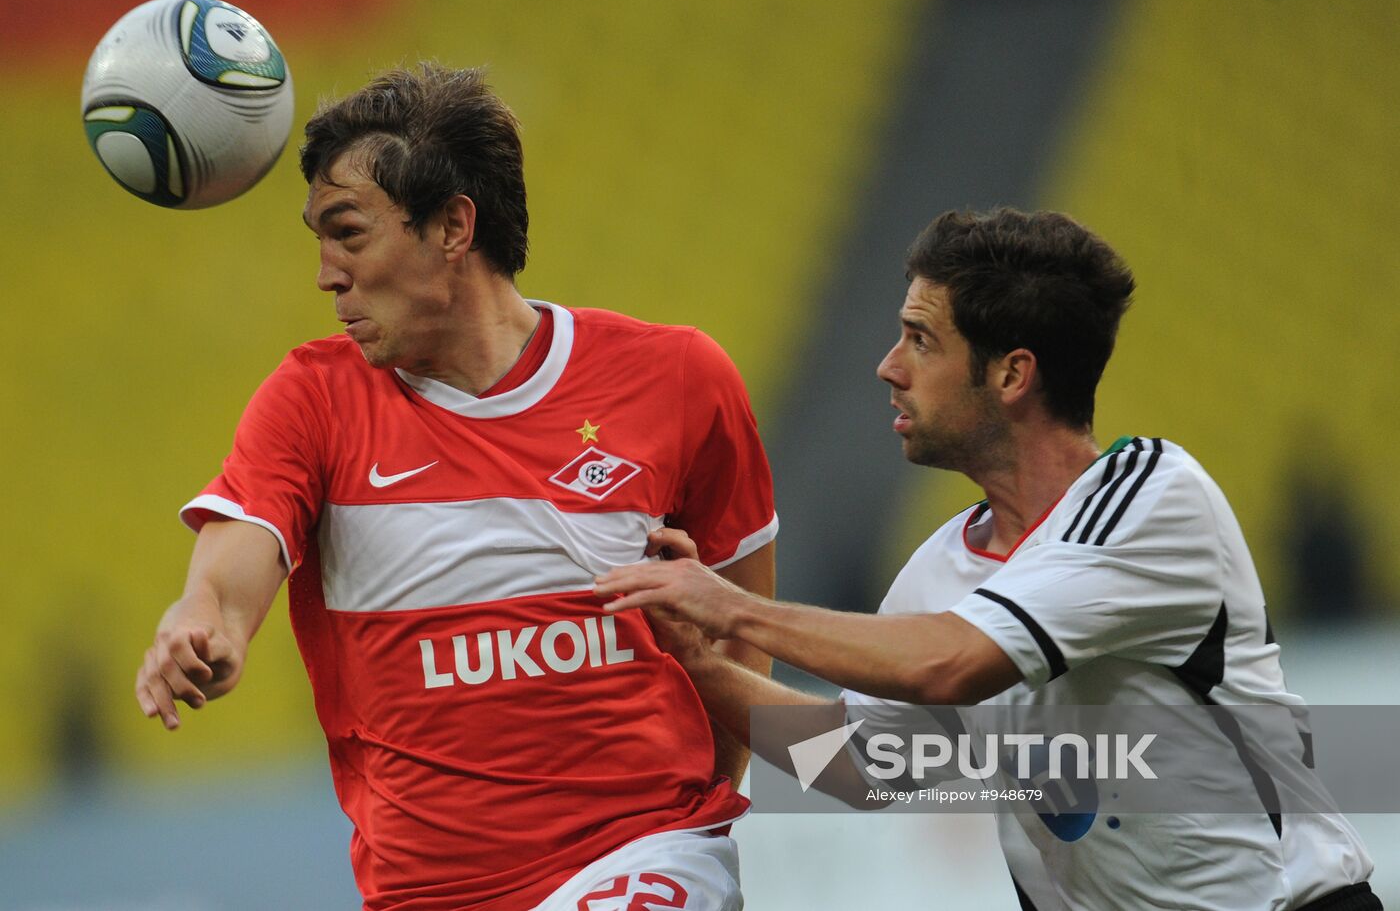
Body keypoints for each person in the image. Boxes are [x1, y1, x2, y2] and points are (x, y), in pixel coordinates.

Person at [595, 208, 1379, 910]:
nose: (889, 367)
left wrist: (731, 607)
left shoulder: (1153, 499)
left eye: (920, 339)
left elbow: (954, 665)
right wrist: (701, 665)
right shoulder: (942, 569)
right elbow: (864, 768)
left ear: (1012, 374)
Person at [133, 63, 778, 911]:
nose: (326, 273)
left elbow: (744, 632)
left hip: (646, 854)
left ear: (452, 226)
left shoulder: (679, 380)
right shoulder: (312, 400)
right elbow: (225, 579)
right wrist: (199, 629)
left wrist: (691, 818)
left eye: (349, 233)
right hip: (424, 892)